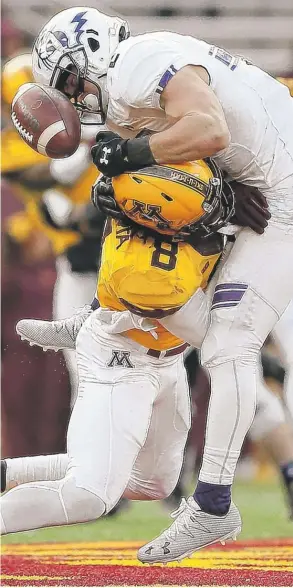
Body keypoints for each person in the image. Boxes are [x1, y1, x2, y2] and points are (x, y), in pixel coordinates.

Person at [28, 6, 293, 561]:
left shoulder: (138, 64)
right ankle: (106, 317)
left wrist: (128, 156)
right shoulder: (138, 74)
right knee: (137, 220)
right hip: (261, 186)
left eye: (74, 81)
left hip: (283, 202)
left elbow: (211, 128)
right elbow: (214, 139)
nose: (76, 98)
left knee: (230, 346)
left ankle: (213, 505)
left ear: (97, 54)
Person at [0, 159, 228, 534]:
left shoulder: (154, 218)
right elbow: (208, 332)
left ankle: (11, 471)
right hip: (121, 359)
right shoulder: (144, 275)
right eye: (195, 197)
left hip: (166, 361)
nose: (209, 204)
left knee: (152, 483)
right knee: (88, 497)